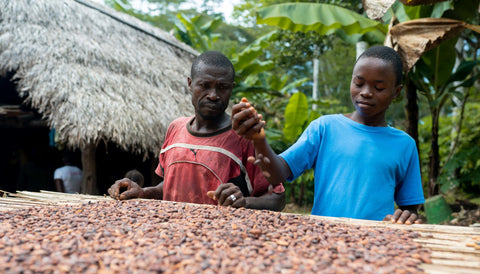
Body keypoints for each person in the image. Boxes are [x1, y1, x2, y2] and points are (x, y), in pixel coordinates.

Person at [231, 45, 424, 224]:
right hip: (325, 237)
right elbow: (278, 173)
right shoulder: (325, 128)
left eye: (378, 88)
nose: (366, 92)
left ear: (396, 91)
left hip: (377, 244)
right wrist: (259, 139)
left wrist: (409, 217)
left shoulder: (404, 145)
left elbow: (410, 209)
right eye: (359, 83)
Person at [108, 51, 285, 211]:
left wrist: (244, 202)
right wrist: (142, 193)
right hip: (171, 236)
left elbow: (277, 199)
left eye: (222, 87)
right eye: (205, 85)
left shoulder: (244, 137)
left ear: (232, 88)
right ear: (190, 84)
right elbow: (168, 186)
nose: (213, 95)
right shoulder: (175, 128)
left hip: (222, 240)